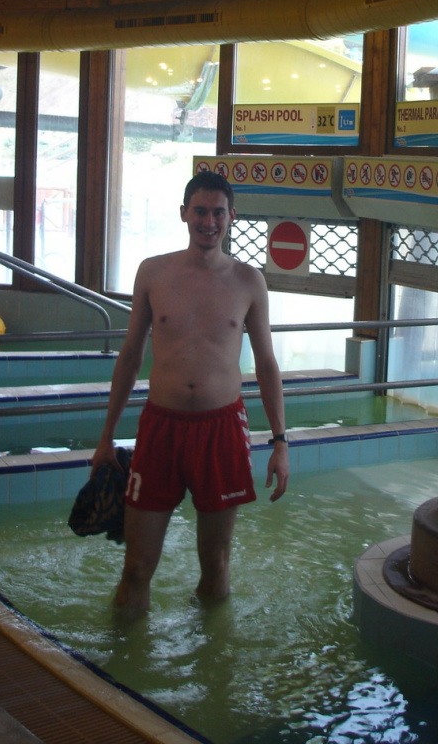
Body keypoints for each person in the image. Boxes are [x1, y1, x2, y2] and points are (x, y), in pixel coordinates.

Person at [91, 170, 288, 610]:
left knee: (216, 564)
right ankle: (124, 651)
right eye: (200, 211)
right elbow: (129, 356)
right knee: (135, 568)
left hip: (222, 429)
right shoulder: (153, 272)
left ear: (232, 216)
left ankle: (212, 651)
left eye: (218, 213)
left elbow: (266, 364)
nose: (208, 222)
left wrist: (280, 442)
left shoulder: (248, 280)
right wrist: (106, 438)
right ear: (184, 213)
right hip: (160, 427)